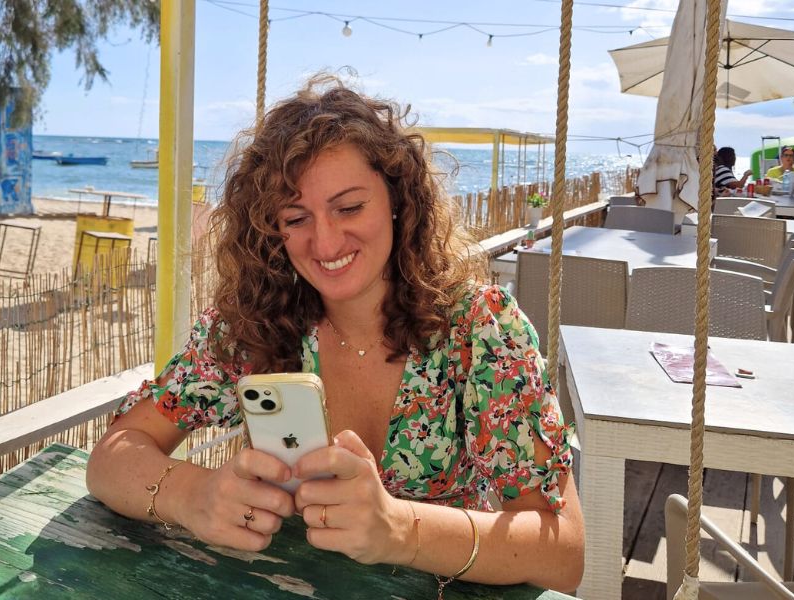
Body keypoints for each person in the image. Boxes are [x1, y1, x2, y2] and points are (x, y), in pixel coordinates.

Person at [86, 75, 584, 594]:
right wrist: (192, 495)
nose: (325, 242)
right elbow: (112, 455)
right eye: (296, 217)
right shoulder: (249, 328)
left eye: (349, 207)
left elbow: (563, 552)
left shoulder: (480, 331)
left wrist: (397, 530)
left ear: (397, 198)